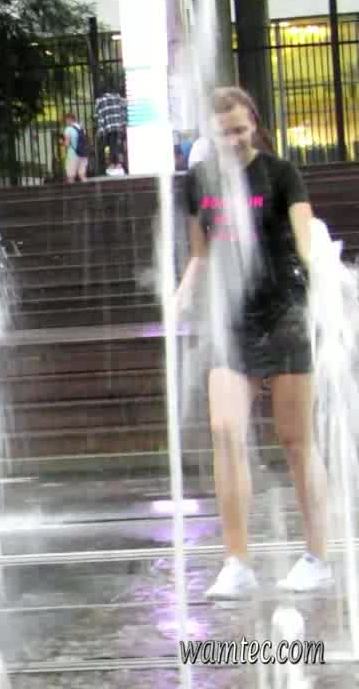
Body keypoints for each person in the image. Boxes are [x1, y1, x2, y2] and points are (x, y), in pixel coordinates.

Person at [172, 86, 332, 600]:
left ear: (255, 125)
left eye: (242, 130)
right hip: (231, 320)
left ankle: (317, 557)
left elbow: (304, 238)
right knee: (224, 430)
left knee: (295, 440)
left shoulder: (281, 174)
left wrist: (322, 271)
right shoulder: (198, 183)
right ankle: (236, 562)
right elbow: (200, 254)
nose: (235, 140)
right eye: (225, 133)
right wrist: (181, 295)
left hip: (284, 313)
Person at [62, 113, 89, 183]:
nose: (65, 122)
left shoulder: (68, 129)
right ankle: (87, 188)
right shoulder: (81, 128)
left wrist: (62, 143)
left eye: (66, 120)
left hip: (73, 154)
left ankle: (71, 189)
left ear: (69, 120)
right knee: (82, 175)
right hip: (83, 154)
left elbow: (67, 143)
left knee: (71, 176)